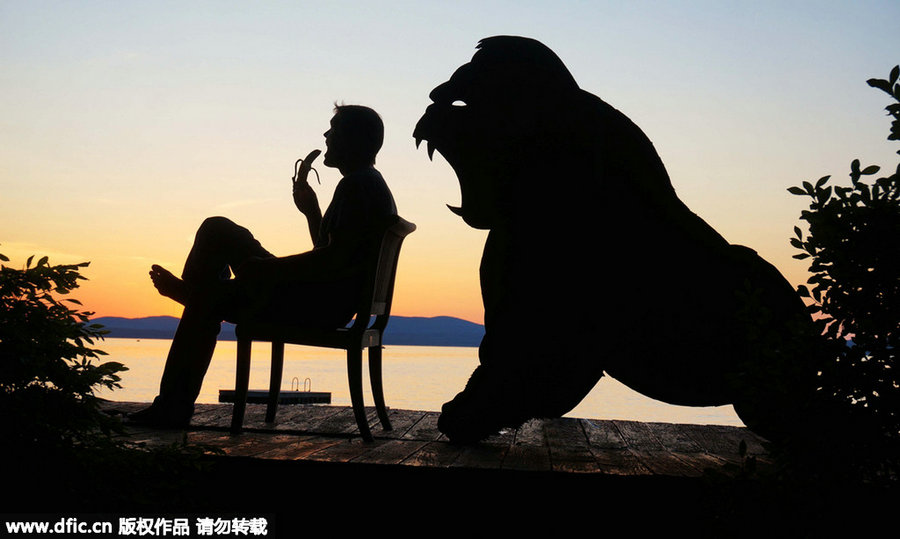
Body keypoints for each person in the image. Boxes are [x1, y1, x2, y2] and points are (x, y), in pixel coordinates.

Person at [129, 104, 397, 427]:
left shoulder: (358, 186)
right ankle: (200, 296)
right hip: (319, 298)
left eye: (334, 130)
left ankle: (194, 316)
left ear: (355, 140)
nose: (326, 136)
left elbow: (330, 262)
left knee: (208, 283)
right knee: (218, 229)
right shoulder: (366, 183)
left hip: (313, 307)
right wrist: (311, 210)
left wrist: (267, 269)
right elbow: (332, 256)